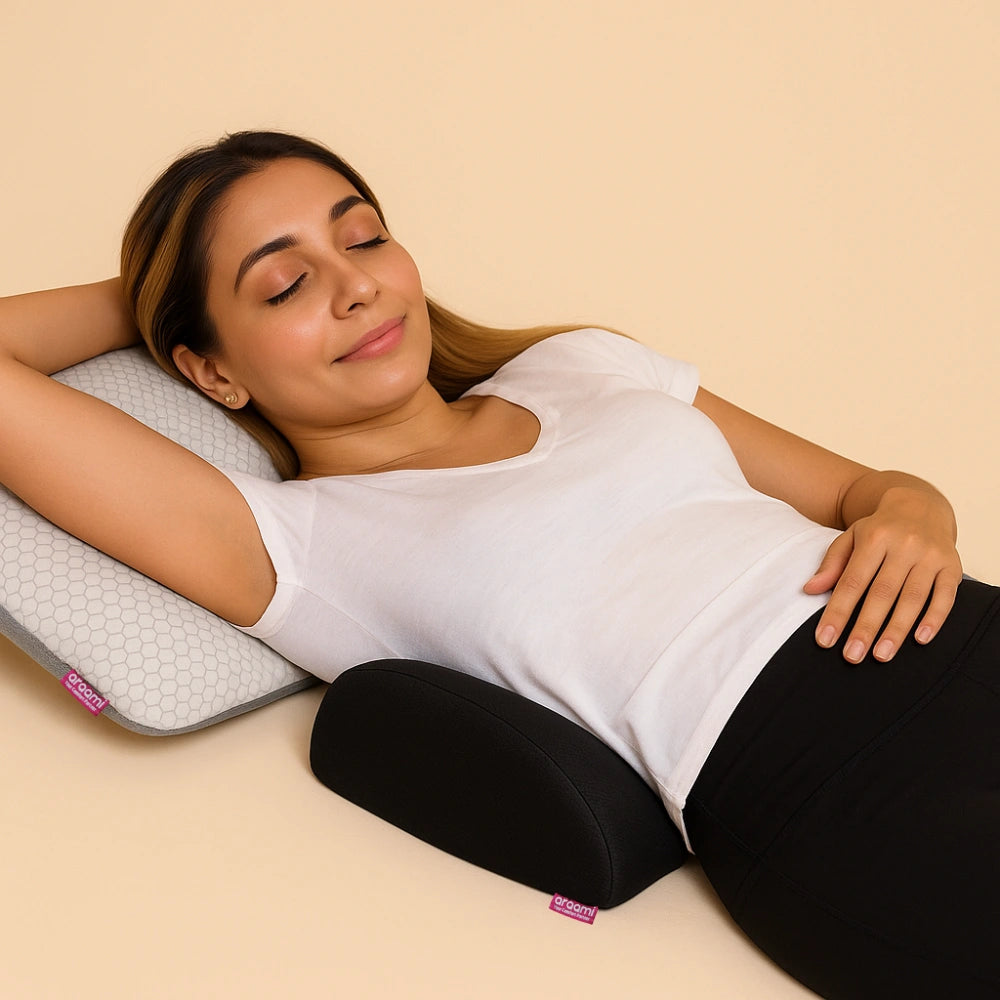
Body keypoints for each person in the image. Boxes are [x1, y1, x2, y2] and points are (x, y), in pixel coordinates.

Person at [0, 130, 995, 999]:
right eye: (284, 284)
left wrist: (917, 507)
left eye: (363, 238)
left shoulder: (583, 361)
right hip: (828, 791)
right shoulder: (287, 545)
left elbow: (866, 491)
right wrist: (156, 298)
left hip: (960, 632)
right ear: (212, 369)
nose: (356, 286)